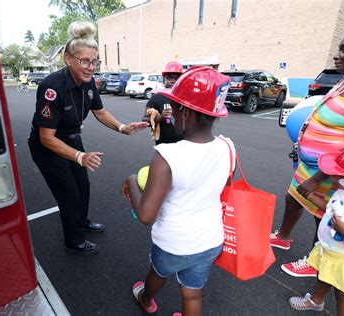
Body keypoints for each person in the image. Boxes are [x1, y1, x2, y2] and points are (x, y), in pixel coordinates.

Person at [270, 21, 344, 277]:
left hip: (331, 173)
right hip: (310, 166)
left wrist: (318, 178)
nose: (337, 54)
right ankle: (283, 237)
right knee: (293, 199)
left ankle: (316, 261)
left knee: (326, 216)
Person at [28, 21, 147, 255]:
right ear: (68, 58)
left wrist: (123, 128)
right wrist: (80, 156)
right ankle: (74, 241)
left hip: (72, 139)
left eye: (94, 62)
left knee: (83, 187)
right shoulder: (51, 87)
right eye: (84, 61)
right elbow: (46, 137)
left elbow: (100, 111)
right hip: (48, 146)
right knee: (69, 193)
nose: (91, 67)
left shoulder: (88, 81)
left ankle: (80, 222)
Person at [121, 67, 233, 315]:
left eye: (174, 107)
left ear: (188, 114)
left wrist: (131, 180)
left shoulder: (167, 155)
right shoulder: (228, 147)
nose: (170, 113)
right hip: (210, 239)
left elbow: (146, 215)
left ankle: (146, 299)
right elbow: (223, 186)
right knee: (192, 293)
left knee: (158, 272)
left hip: (174, 241)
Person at [288, 144, 344, 315]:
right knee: (323, 277)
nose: (333, 177)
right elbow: (329, 208)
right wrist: (309, 195)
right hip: (330, 252)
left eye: (341, 175)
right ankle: (315, 301)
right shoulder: (343, 192)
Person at [142, 61, 184, 144]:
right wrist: (161, 117)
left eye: (176, 78)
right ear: (164, 79)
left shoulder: (186, 97)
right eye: (170, 78)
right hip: (163, 145)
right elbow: (145, 120)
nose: (173, 81)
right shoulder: (157, 97)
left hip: (184, 144)